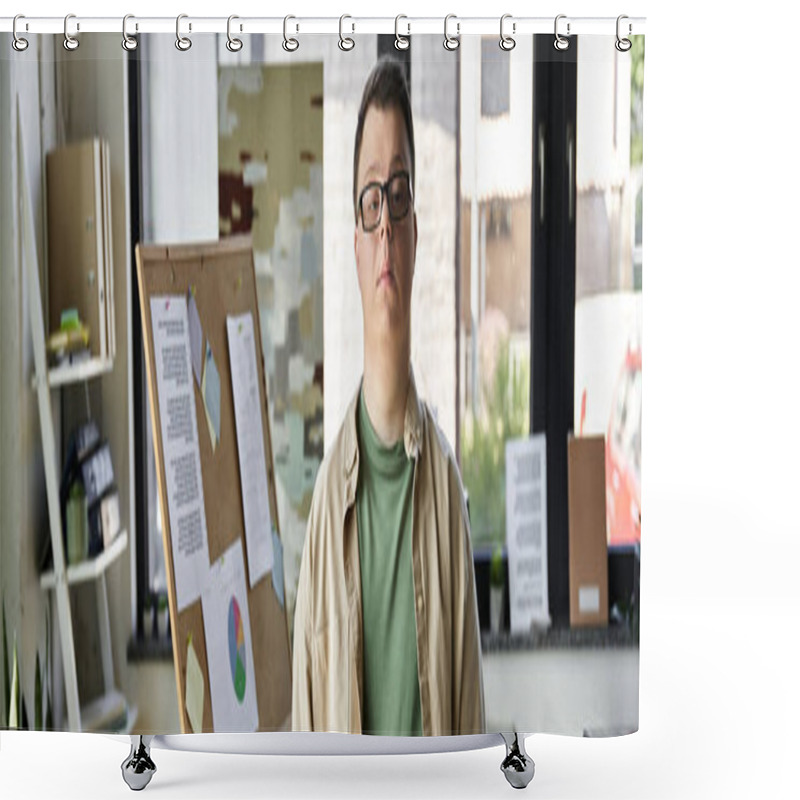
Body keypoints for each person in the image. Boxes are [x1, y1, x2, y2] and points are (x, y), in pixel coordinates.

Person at [292, 56, 485, 737]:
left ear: (414, 227)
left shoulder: (445, 496)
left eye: (398, 194)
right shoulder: (324, 517)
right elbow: (305, 739)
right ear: (353, 239)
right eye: (370, 199)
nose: (383, 226)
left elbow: (469, 726)